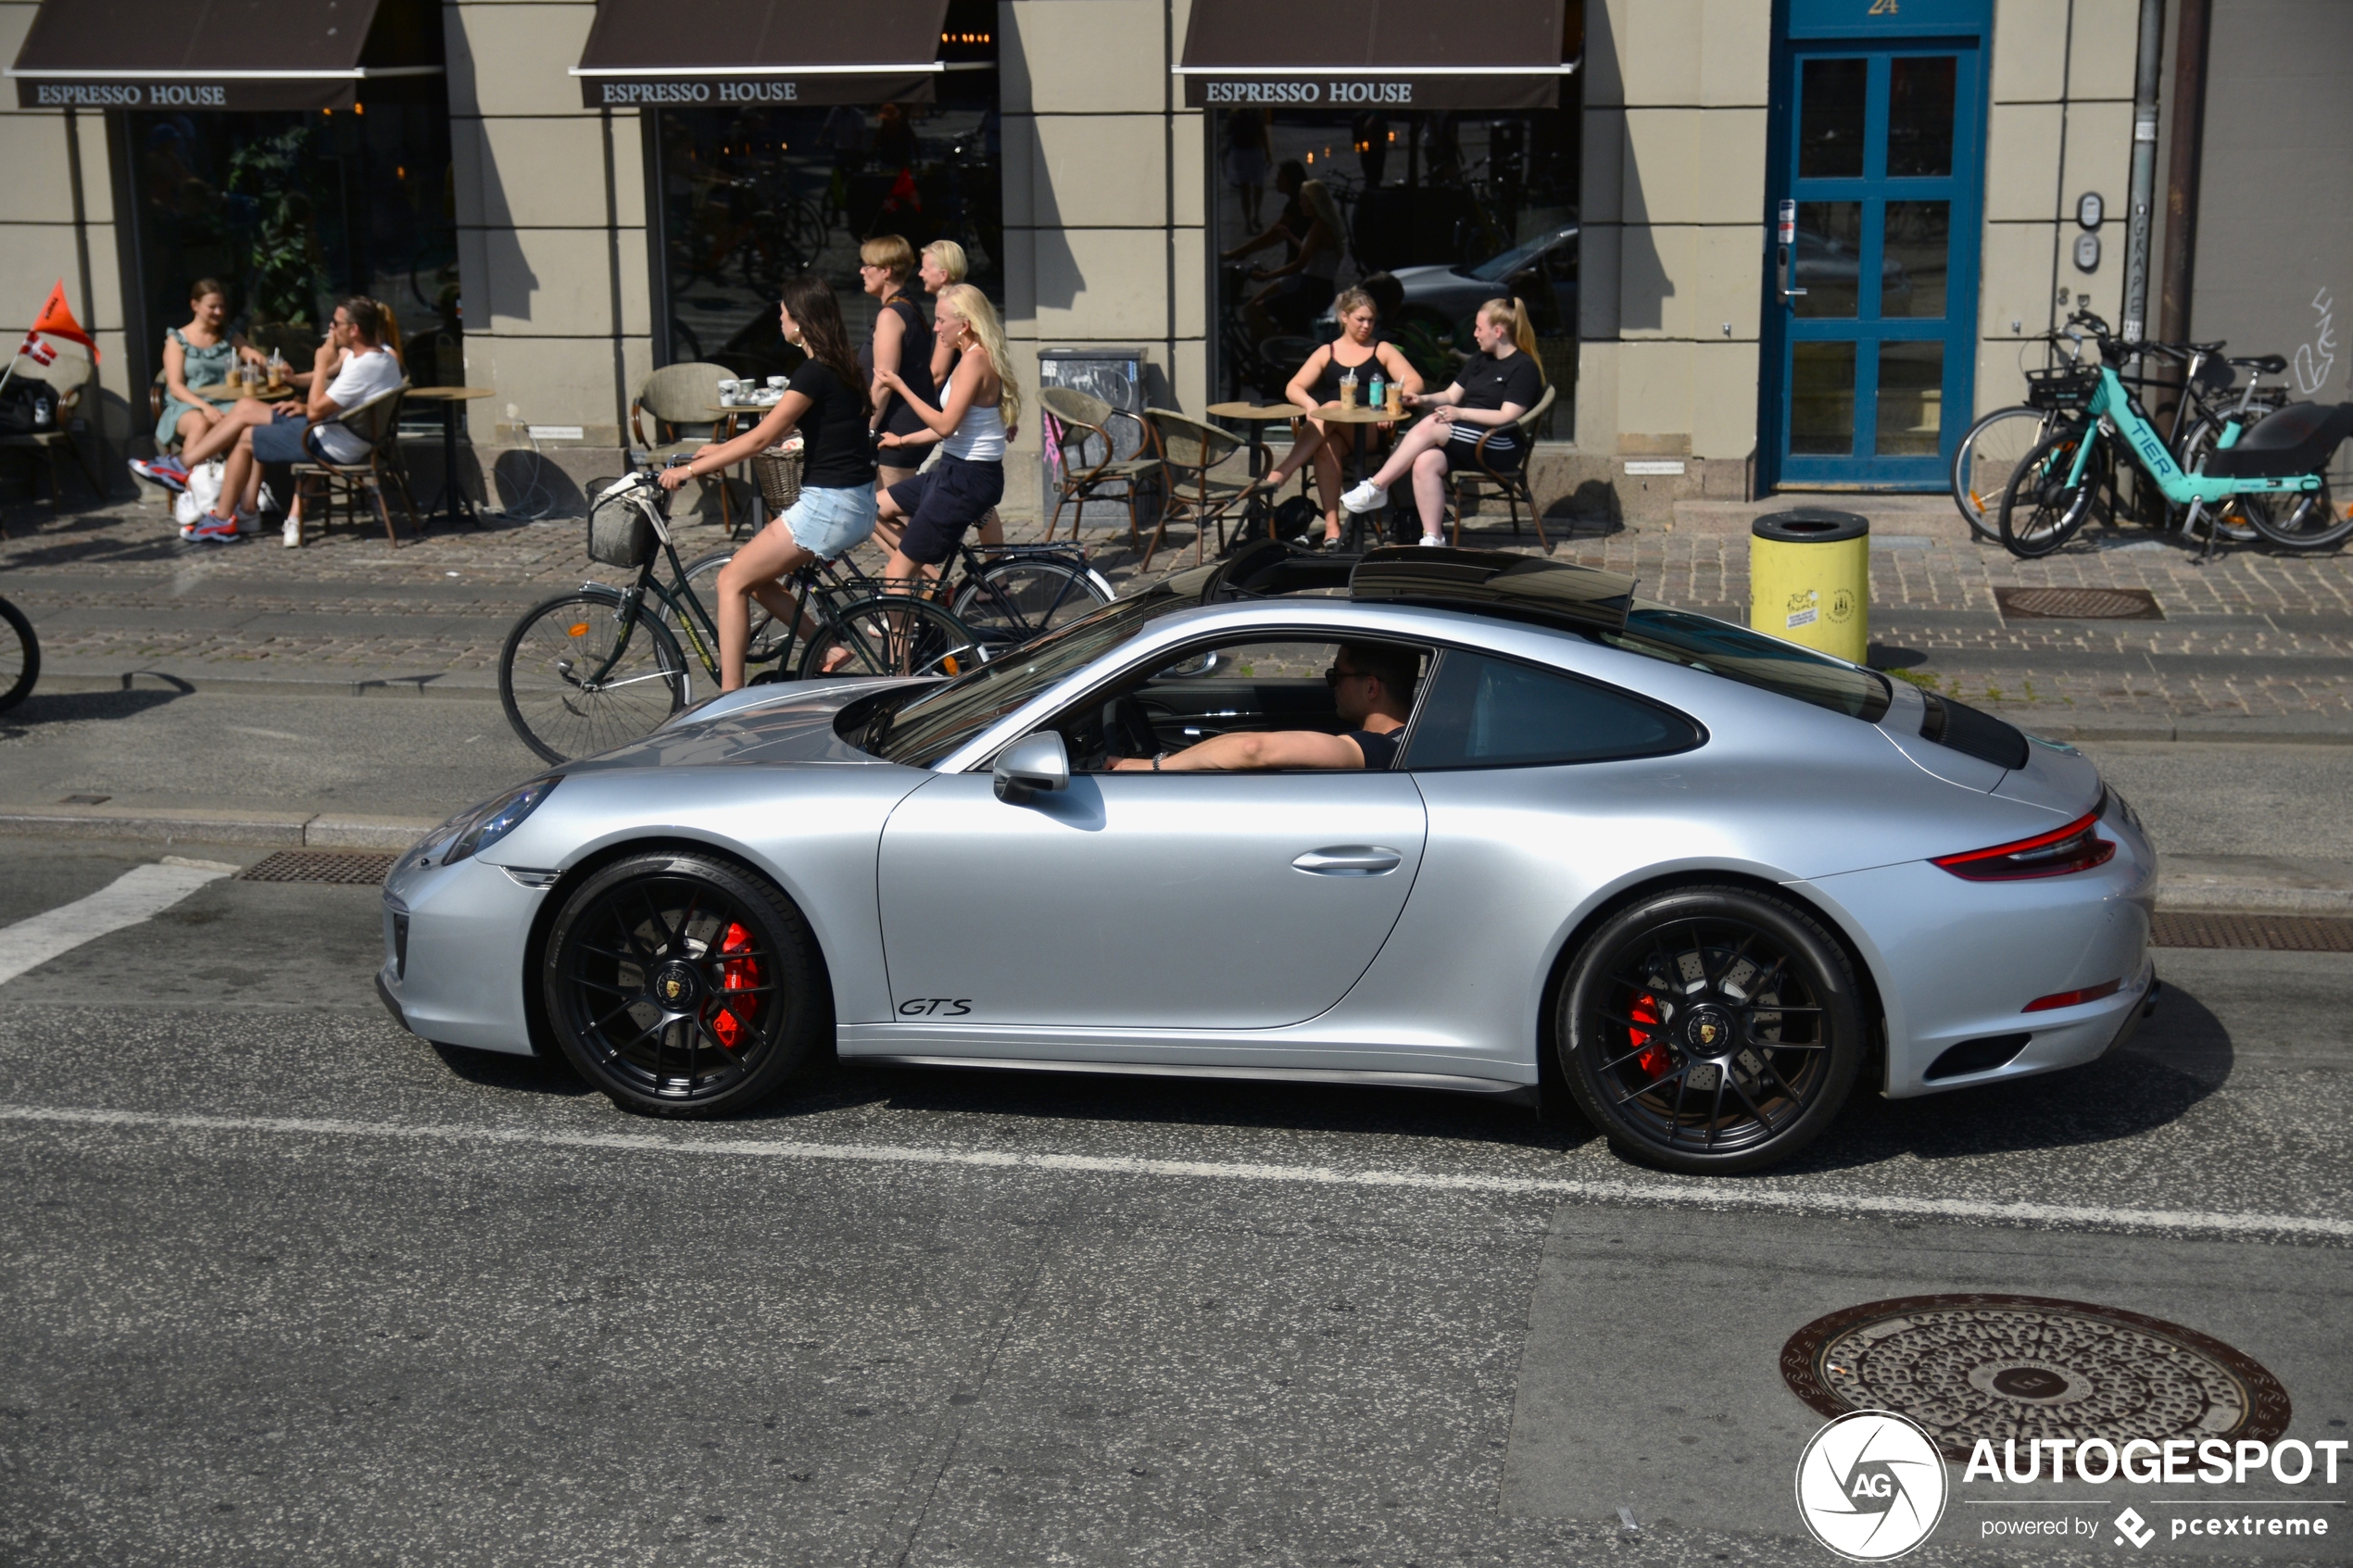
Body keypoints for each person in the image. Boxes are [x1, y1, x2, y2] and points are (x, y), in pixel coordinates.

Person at [659, 274, 876, 692]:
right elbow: (777, 434)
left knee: (731, 580)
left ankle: (730, 697)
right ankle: (825, 647)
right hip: (853, 501)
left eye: (782, 313)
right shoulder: (845, 365)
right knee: (756, 582)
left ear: (799, 322)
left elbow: (762, 437)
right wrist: (714, 451)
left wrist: (688, 471)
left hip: (829, 506)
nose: (778, 319)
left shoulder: (813, 373)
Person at [179, 297, 402, 546]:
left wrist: (320, 365)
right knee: (246, 408)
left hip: (331, 442)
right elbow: (336, 404)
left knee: (245, 438)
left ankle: (222, 519)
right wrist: (299, 390)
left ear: (354, 330)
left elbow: (318, 412)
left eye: (336, 323)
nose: (331, 327)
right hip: (340, 431)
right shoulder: (378, 358)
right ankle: (241, 507)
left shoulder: (366, 366)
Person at [1340, 297, 1546, 546]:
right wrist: (1420, 399)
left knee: (1432, 424)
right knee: (1425, 462)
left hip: (1500, 442)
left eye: (1479, 328)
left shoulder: (1523, 367)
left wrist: (1460, 414)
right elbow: (1450, 395)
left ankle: (1377, 486)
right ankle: (1433, 538)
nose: (1475, 334)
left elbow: (1507, 415)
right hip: (1470, 438)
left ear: (1498, 331)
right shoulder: (1481, 359)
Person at [869, 283, 1017, 591]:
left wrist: (901, 387)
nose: (936, 328)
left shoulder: (974, 362)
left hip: (964, 479)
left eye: (941, 321)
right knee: (870, 509)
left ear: (963, 325)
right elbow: (957, 426)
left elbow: (946, 425)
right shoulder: (979, 357)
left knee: (895, 572)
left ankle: (900, 638)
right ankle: (933, 581)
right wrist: (901, 441)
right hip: (957, 471)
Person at [1251, 288, 1423, 550]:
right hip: (1334, 433)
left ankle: (1282, 472)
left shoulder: (1381, 349)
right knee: (1327, 445)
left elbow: (1415, 382)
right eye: (1360, 319)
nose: (1367, 326)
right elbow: (1293, 386)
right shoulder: (1327, 352)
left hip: (1368, 433)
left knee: (1331, 406)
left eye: (1371, 320)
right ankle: (1332, 528)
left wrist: (1393, 402)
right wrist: (1309, 403)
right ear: (1344, 317)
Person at [1110, 643, 1416, 771]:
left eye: (1337, 675)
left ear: (1371, 687)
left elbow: (1254, 748)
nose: (1331, 684)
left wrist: (1154, 766)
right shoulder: (1408, 740)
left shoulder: (1377, 750)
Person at [913, 239, 1007, 551]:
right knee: (980, 508)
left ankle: (924, 575)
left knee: (940, 502)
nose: (919, 274)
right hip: (967, 418)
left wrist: (906, 396)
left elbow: (937, 373)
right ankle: (997, 575)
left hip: (955, 420)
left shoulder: (951, 311)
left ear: (943, 273)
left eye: (925, 267)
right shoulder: (968, 305)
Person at [132, 278, 266, 492]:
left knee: (252, 429)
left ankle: (247, 498)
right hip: (187, 404)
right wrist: (206, 408)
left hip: (225, 403)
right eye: (212, 307)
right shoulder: (178, 339)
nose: (219, 312)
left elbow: (257, 360)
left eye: (222, 306)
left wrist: (272, 366)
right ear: (195, 305)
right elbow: (175, 386)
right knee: (199, 423)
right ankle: (188, 492)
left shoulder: (228, 335)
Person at [1222, 160, 1342, 341]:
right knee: (1288, 331)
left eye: (1304, 200)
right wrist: (1290, 236)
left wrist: (1266, 276)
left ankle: (1274, 359)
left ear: (1311, 201)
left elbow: (1300, 263)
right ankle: (1276, 357)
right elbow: (1313, 254)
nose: (1301, 204)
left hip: (1309, 288)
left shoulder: (1318, 225)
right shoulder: (1325, 225)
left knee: (1254, 312)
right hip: (1318, 288)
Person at [855, 234, 937, 496]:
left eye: (868, 265)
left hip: (896, 429)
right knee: (886, 513)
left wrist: (863, 430)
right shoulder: (909, 306)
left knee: (891, 514)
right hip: (901, 426)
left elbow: (883, 382)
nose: (862, 271)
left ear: (886, 271)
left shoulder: (891, 315)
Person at [1220, 107, 1274, 231]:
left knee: (1249, 187)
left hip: (1242, 152)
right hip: (1249, 151)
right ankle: (1252, 217)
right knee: (1254, 186)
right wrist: (1267, 152)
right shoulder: (1252, 113)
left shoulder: (1239, 114)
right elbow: (1262, 132)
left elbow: (1228, 134)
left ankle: (1251, 218)